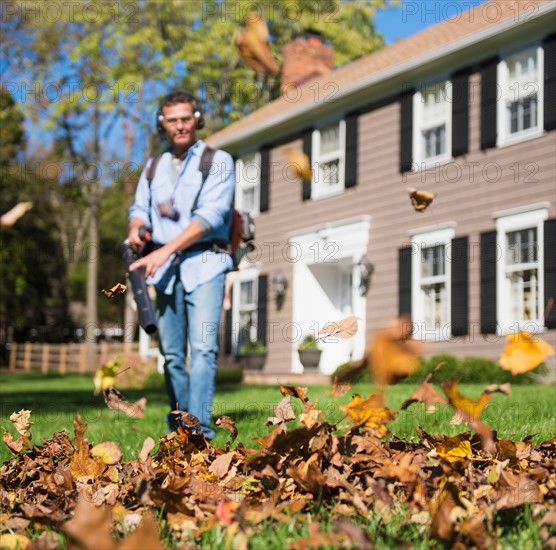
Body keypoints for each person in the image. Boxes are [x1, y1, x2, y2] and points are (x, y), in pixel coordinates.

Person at [127, 91, 235, 439]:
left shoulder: (218, 161)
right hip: (167, 271)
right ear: (163, 124)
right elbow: (139, 209)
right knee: (172, 354)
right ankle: (179, 425)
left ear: (197, 119)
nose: (180, 125)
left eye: (186, 118)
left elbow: (212, 215)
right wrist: (136, 229)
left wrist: (163, 251)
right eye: (172, 120)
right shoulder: (153, 167)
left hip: (207, 262)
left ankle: (200, 430)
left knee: (203, 348)